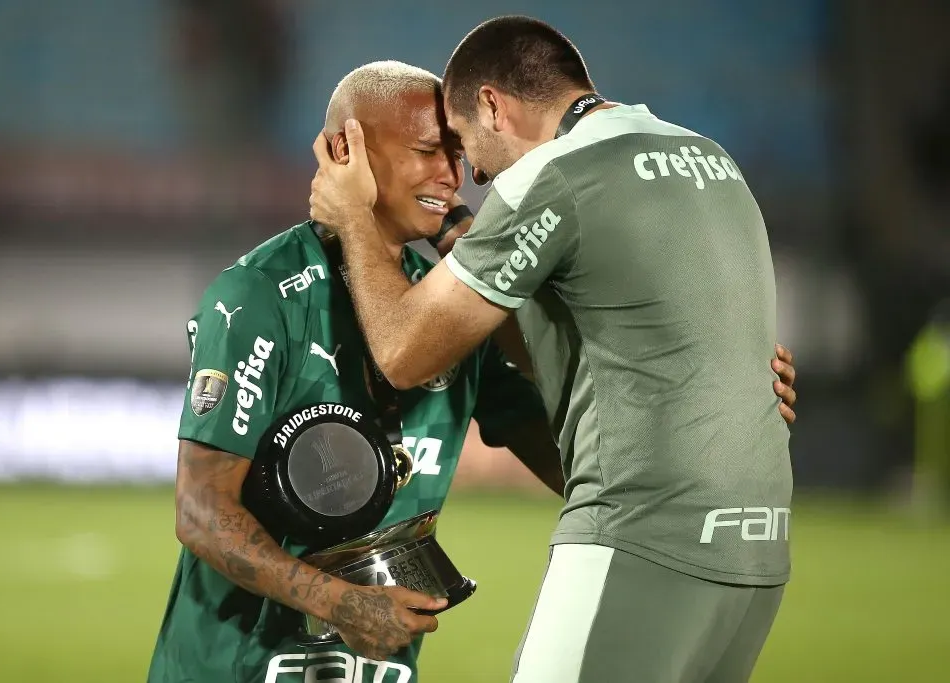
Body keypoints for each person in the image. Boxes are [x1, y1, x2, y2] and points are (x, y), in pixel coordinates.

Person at [307, 16, 796, 683]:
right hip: (754, 552)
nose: (472, 171)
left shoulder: (559, 175)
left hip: (642, 534)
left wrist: (353, 216)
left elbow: (403, 350)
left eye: (464, 142)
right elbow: (609, 326)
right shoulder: (709, 159)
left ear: (491, 105)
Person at [146, 60, 571, 683]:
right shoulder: (260, 295)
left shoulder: (448, 310)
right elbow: (202, 510)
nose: (451, 176)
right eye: (428, 152)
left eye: (456, 155)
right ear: (346, 151)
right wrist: (340, 603)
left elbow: (572, 459)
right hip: (232, 667)